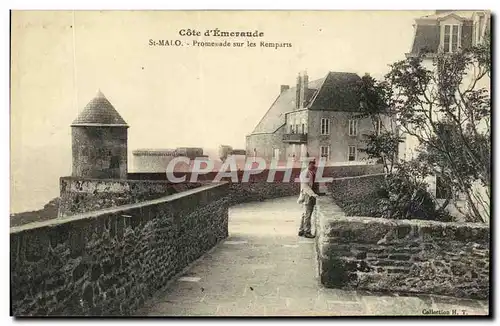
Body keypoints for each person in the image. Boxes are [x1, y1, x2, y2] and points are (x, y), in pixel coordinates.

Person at [298, 158, 319, 238]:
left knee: (305, 214)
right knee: (307, 214)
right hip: (307, 195)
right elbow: (305, 186)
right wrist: (313, 194)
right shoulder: (305, 173)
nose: (313, 165)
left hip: (309, 195)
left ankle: (301, 230)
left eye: (314, 163)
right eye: (312, 163)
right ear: (308, 164)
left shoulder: (311, 172)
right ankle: (307, 232)